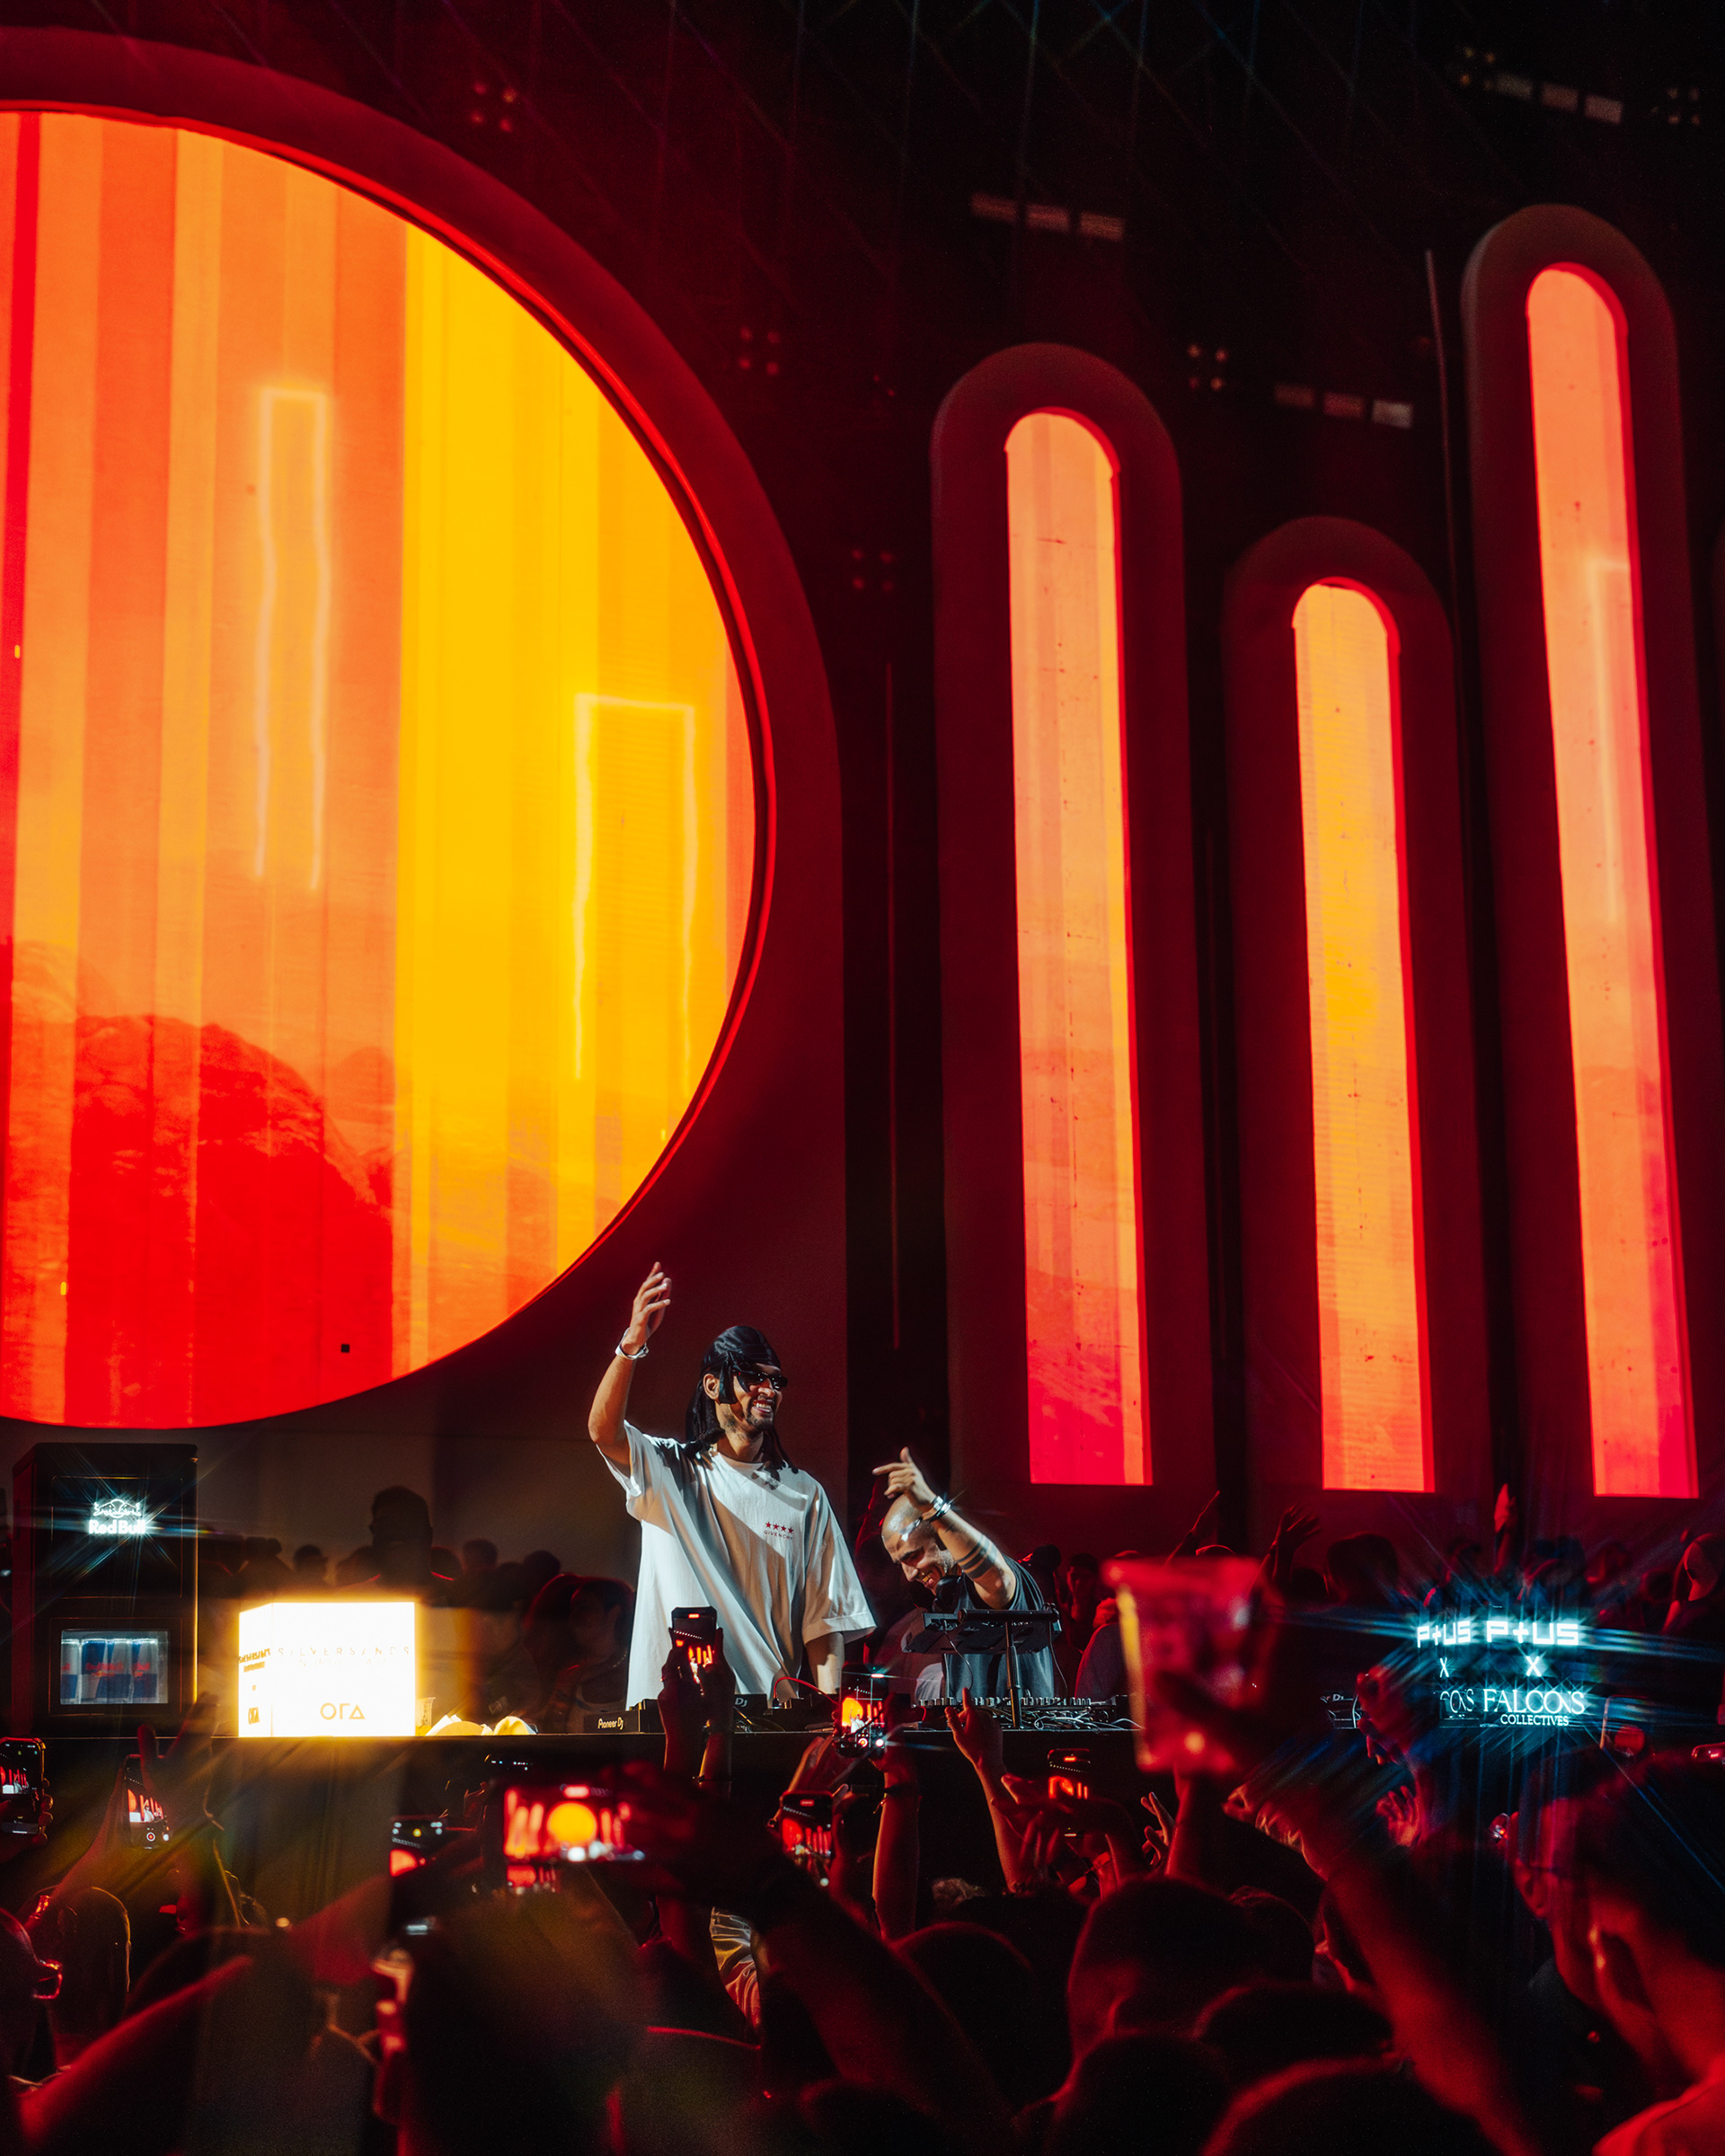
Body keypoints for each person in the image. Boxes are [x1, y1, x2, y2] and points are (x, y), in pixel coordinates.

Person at [587, 1265, 874, 1702]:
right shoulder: (670, 1469)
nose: (769, 1389)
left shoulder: (804, 1494)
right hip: (673, 1718)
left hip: (770, 1719)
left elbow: (825, 1624)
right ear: (712, 1385)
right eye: (753, 1376)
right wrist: (631, 1346)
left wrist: (832, 1722)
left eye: (776, 1380)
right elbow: (603, 1432)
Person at [875, 1451, 1061, 1701]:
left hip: (1013, 1727)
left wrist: (933, 1507)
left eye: (913, 1556)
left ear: (943, 1537)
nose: (909, 1575)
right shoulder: (950, 1599)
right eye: (901, 1563)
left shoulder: (995, 1580)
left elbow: (999, 1581)